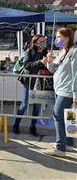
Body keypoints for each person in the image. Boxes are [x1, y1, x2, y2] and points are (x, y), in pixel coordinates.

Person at [42, 28, 77, 157]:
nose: (57, 39)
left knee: (58, 116)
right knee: (68, 117)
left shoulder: (74, 52)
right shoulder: (62, 52)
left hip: (67, 91)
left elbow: (76, 74)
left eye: (59, 36)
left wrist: (75, 94)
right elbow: (53, 69)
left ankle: (60, 147)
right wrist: (49, 60)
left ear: (67, 37)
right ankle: (67, 144)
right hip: (59, 89)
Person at [13, 34, 49, 136]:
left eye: (44, 41)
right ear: (35, 42)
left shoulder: (46, 53)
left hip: (40, 83)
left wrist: (49, 62)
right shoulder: (29, 52)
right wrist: (41, 62)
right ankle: (16, 124)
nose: (43, 43)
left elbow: (47, 69)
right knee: (24, 104)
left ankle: (33, 126)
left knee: (37, 106)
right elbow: (27, 65)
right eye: (41, 41)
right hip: (28, 82)